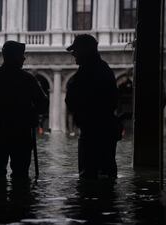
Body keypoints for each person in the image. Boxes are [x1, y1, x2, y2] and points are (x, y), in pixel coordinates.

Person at [0, 40, 49, 179]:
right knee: (21, 175)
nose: (24, 58)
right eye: (21, 55)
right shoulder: (27, 79)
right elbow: (43, 104)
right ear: (13, 57)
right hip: (21, 134)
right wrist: (31, 111)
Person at [65, 34, 120, 179]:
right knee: (107, 174)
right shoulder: (104, 69)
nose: (73, 55)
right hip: (106, 129)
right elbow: (114, 100)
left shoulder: (85, 73)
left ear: (85, 51)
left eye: (75, 51)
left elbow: (71, 100)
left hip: (92, 132)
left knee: (89, 174)